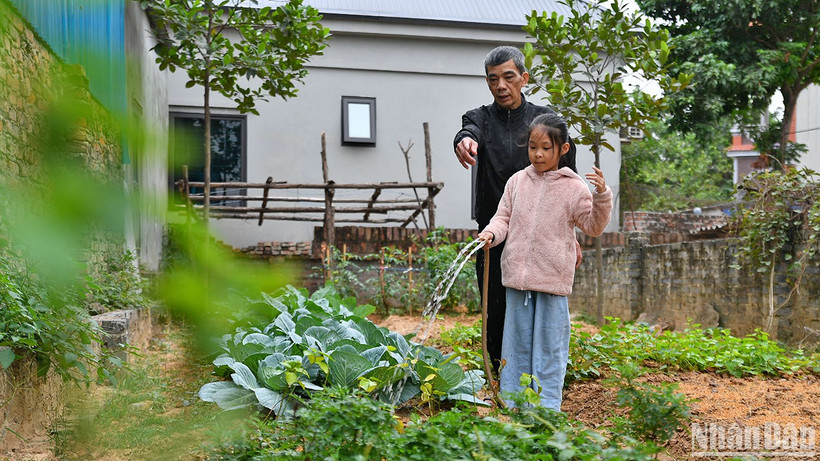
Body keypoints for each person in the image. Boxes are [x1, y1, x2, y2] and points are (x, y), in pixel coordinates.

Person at [453, 45, 579, 374]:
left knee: (542, 306)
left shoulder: (544, 121)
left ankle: (543, 375)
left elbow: (568, 177)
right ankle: (500, 374)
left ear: (523, 78)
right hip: (494, 233)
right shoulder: (478, 117)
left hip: (541, 235)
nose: (501, 86)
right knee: (495, 308)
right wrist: (464, 139)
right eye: (493, 79)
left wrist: (572, 234)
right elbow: (469, 130)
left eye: (509, 77)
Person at [477, 113, 612, 410]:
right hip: (518, 280)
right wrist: (490, 234)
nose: (537, 154)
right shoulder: (517, 182)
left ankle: (546, 407)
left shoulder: (573, 187)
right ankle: (514, 403)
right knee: (517, 345)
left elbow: (593, 226)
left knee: (549, 349)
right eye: (532, 147)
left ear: (562, 149)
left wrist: (602, 195)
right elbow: (503, 218)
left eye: (545, 148)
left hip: (551, 282)